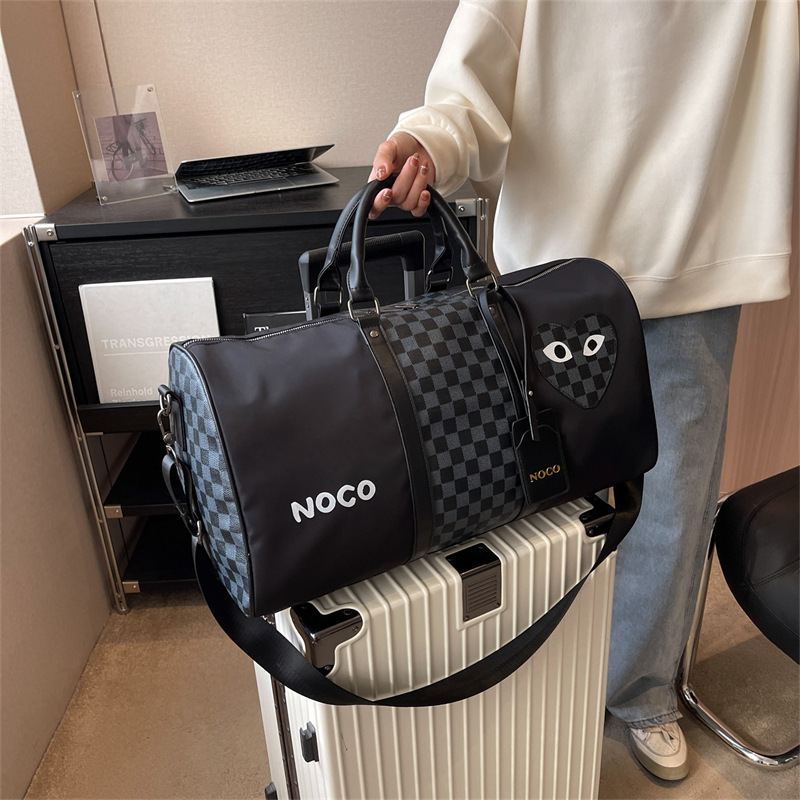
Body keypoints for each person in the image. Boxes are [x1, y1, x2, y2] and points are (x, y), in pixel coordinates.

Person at [367, 0, 798, 782]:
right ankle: (537, 667)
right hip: (558, 257)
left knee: (673, 495)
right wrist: (430, 138)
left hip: (700, 242)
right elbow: (482, 59)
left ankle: (642, 690)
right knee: (541, 488)